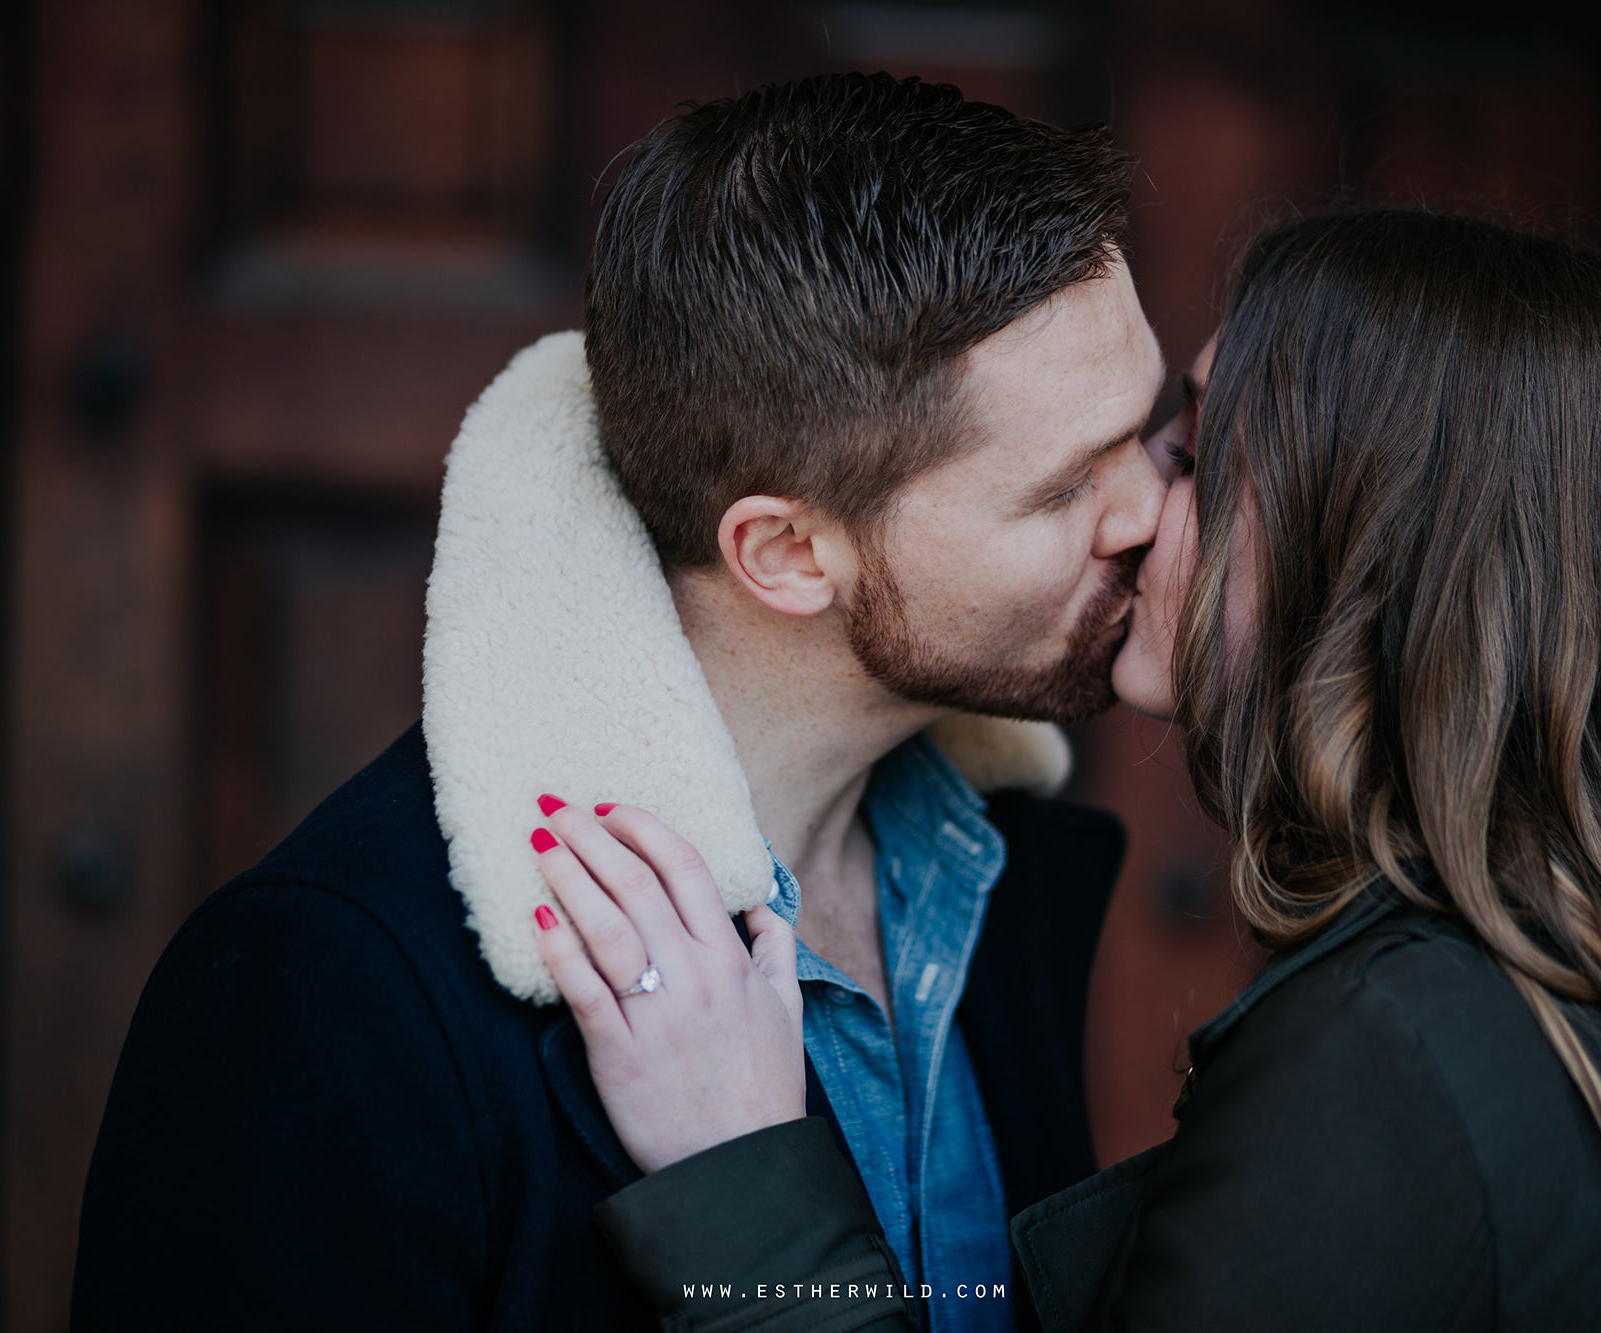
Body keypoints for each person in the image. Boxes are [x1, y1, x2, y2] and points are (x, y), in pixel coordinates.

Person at [531, 209, 1601, 1333]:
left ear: (1374, 554)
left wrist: (746, 1180)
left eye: (1200, 455)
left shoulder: (1388, 1065)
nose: (1145, 510)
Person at [68, 73, 1168, 1333]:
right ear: (789, 555)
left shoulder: (1004, 874)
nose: (1149, 513)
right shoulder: (329, 994)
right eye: (1064, 488)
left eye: (1147, 432)